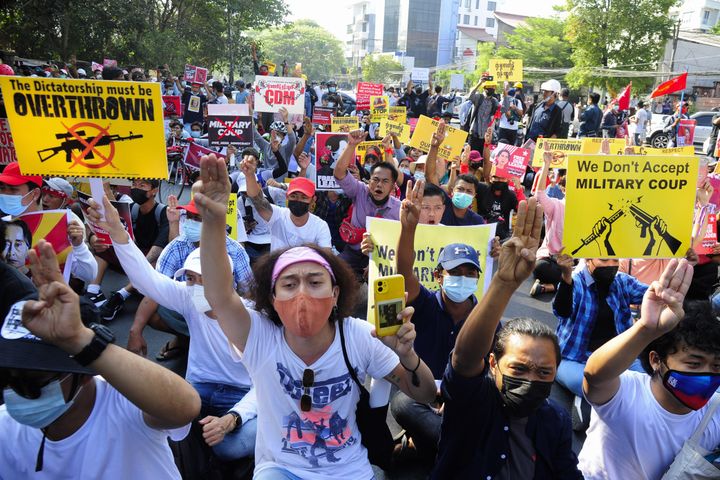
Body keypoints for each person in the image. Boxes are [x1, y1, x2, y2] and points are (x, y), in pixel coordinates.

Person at [192, 153, 437, 478]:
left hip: (348, 470)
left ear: (336, 294)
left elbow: (424, 393)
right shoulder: (260, 335)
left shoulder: (359, 336)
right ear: (272, 298)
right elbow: (219, 294)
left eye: (315, 281)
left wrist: (408, 356)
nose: (302, 293)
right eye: (289, 284)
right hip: (279, 470)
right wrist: (213, 222)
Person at [0, 240, 200, 478]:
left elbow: (185, 407)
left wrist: (81, 340)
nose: (19, 393)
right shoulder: (6, 429)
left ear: (83, 374)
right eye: (8, 379)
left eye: (35, 381)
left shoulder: (126, 400)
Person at [86, 198, 258, 461]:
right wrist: (116, 231)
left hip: (242, 394)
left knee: (229, 448)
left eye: (206, 278)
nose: (196, 286)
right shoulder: (190, 297)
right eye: (190, 278)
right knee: (151, 424)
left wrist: (234, 418)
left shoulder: (253, 316)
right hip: (197, 388)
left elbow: (266, 383)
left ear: (225, 281)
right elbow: (147, 279)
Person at [432, 198, 583, 479]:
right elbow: (464, 358)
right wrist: (504, 283)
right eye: (519, 368)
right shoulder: (472, 400)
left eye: (544, 372)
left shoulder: (556, 420)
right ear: (492, 364)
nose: (531, 380)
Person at [578, 261, 720, 479]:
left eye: (716, 366)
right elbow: (595, 376)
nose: (706, 374)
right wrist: (646, 329)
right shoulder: (626, 391)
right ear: (656, 360)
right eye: (694, 363)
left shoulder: (714, 413)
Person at [392, 178, 486, 461]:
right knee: (404, 406)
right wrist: (408, 228)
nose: (463, 279)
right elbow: (405, 271)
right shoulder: (426, 304)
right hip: (423, 393)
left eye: (470, 274)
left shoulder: (483, 318)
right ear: (438, 276)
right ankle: (455, 451)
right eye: (455, 272)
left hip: (464, 396)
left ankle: (426, 447)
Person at [553, 255, 648, 410]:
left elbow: (655, 294)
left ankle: (591, 400)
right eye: (604, 260)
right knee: (586, 383)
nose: (610, 265)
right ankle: (592, 398)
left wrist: (685, 265)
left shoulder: (622, 281)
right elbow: (562, 310)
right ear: (588, 261)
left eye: (615, 260)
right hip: (576, 359)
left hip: (618, 357)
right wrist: (566, 276)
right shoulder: (575, 282)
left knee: (647, 381)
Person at [87, 178, 169, 321]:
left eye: (142, 185)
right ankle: (93, 290)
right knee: (105, 246)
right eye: (134, 185)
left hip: (149, 258)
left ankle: (121, 295)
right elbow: (114, 221)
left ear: (154, 191)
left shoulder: (163, 212)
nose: (136, 188)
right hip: (132, 252)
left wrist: (139, 264)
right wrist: (104, 188)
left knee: (155, 262)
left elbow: (159, 247)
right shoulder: (132, 208)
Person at [0, 163, 96, 284]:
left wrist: (79, 246)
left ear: (34, 194)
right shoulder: (3, 223)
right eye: (2, 188)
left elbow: (89, 275)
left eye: (13, 189)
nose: (5, 194)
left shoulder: (65, 224)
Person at [334, 130, 401, 277]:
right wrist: (351, 145)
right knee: (334, 271)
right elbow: (339, 172)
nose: (379, 185)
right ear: (369, 181)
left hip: (382, 256)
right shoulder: (359, 191)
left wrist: (376, 263)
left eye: (385, 181)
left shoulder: (399, 209)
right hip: (353, 252)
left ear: (392, 187)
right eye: (375, 180)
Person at [244, 160, 331, 251]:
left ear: (313, 200)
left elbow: (326, 257)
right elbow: (257, 200)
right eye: (293, 196)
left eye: (304, 197)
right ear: (287, 197)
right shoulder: (277, 215)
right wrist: (250, 175)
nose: (298, 200)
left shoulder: (320, 226)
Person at [530, 144, 565, 297]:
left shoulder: (588, 209)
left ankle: (548, 287)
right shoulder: (557, 206)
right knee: (542, 267)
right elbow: (540, 195)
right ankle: (557, 285)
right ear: (563, 189)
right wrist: (546, 165)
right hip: (550, 261)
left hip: (575, 264)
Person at [462, 79, 499, 152]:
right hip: (474, 134)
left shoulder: (494, 101)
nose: (492, 89)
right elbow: (470, 96)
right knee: (471, 156)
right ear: (485, 88)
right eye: (490, 87)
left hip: (485, 137)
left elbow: (503, 109)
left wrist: (505, 93)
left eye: (493, 87)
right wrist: (479, 83)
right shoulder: (479, 97)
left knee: (481, 159)